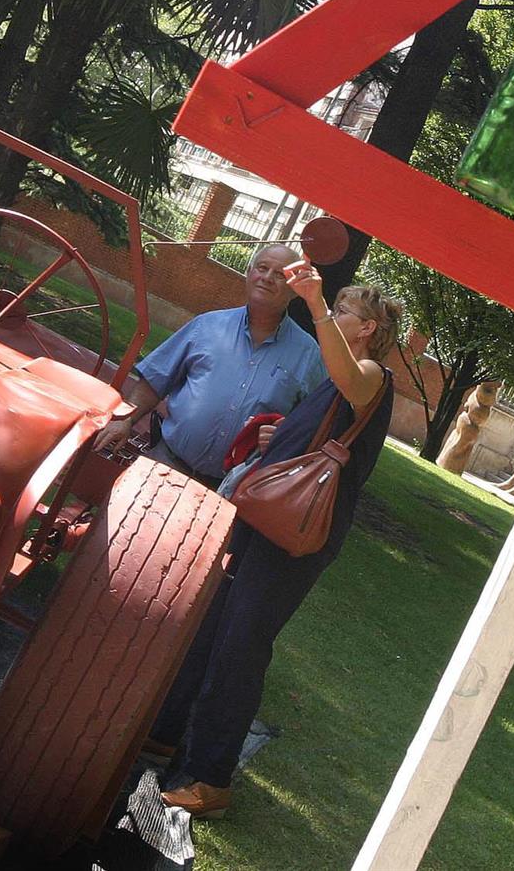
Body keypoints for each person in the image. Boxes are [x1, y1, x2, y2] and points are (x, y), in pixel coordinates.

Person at [152, 265, 402, 818]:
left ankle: (211, 780)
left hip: (293, 537)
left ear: (366, 330)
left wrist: (312, 299)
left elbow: (353, 385)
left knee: (241, 645)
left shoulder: (370, 375)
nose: (332, 315)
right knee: (210, 627)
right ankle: (166, 735)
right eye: (332, 307)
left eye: (343, 311)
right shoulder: (338, 377)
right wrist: (280, 434)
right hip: (266, 521)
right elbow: (317, 433)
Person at [95, 244, 324, 488]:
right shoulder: (207, 326)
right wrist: (126, 420)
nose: (267, 278)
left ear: (294, 290)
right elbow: (156, 380)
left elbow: (313, 429)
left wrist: (284, 438)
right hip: (165, 464)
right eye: (262, 268)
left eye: (280, 275)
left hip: (233, 489)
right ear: (249, 273)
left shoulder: (308, 355)